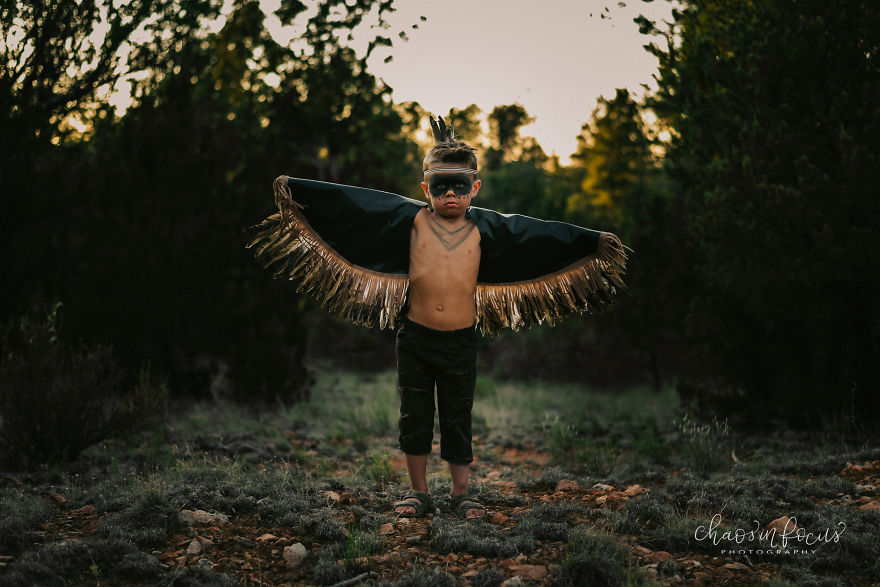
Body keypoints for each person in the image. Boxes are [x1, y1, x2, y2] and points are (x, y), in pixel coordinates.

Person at [247, 115, 628, 521]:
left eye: (460, 186)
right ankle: (418, 492)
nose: (450, 194)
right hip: (414, 337)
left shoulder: (486, 228)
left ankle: (462, 493)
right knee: (415, 415)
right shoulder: (411, 220)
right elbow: (354, 203)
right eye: (441, 186)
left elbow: (537, 234)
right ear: (425, 188)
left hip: (461, 340)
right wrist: (300, 190)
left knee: (456, 415)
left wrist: (591, 241)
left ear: (475, 188)